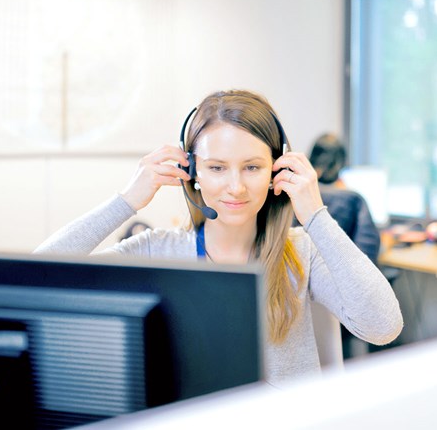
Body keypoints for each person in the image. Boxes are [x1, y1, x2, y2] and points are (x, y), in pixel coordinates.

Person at [35, 90, 403, 385]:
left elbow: (383, 327)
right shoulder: (157, 251)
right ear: (192, 171)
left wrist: (315, 214)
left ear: (278, 168)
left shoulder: (302, 251)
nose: (236, 187)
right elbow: (38, 281)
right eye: (216, 168)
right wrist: (126, 201)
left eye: (253, 167)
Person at [308, 133, 380, 265]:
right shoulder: (353, 199)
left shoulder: (294, 193)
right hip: (342, 277)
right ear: (341, 163)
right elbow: (368, 254)